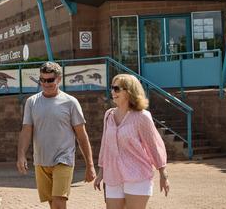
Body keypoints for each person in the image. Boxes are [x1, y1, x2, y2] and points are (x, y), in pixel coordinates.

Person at [17, 61, 96, 209]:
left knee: (59, 202)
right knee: (53, 203)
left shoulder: (71, 102)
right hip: (41, 160)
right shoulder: (31, 102)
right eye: (42, 80)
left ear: (59, 79)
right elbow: (26, 130)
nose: (46, 83)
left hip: (64, 159)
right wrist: (21, 155)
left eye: (50, 80)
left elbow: (81, 135)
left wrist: (90, 165)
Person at [94, 74, 170, 209]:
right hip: (113, 176)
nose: (112, 92)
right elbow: (105, 146)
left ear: (129, 91)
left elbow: (154, 146)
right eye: (112, 88)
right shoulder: (109, 115)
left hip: (137, 175)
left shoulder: (142, 117)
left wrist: (163, 174)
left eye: (117, 89)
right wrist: (101, 172)